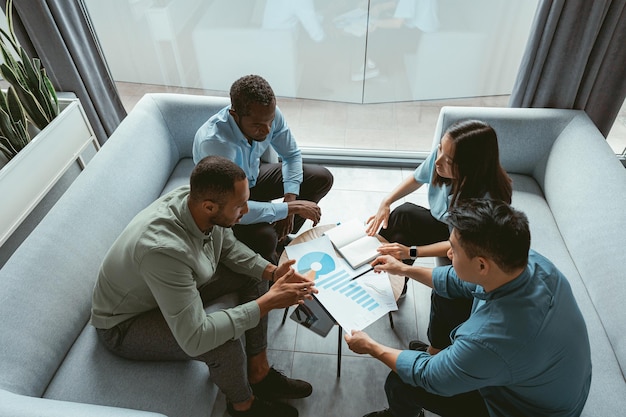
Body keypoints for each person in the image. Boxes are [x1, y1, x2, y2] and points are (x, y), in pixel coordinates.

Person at [91, 156, 318, 417]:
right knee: (223, 341)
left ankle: (259, 372)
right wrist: (268, 302)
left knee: (257, 274)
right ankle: (243, 406)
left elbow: (228, 247)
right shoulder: (163, 250)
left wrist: (273, 272)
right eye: (240, 206)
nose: (246, 211)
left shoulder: (195, 202)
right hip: (126, 323)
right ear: (210, 207)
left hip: (166, 289)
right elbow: (195, 338)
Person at [347, 198, 592, 417]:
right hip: (545, 380)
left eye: (454, 249)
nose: (448, 253)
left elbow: (428, 376)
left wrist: (370, 346)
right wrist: (404, 268)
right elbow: (456, 281)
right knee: (446, 298)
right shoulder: (531, 264)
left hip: (523, 408)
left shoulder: (491, 339)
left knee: (401, 381)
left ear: (482, 265)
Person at [366, 119, 512, 354]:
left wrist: (410, 251)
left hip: (467, 245)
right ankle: (385, 275)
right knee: (402, 215)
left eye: (448, 160)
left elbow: (458, 244)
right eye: (440, 149)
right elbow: (416, 178)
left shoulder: (487, 201)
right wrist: (386, 202)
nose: (437, 160)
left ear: (470, 167)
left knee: (446, 293)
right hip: (447, 225)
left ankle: (435, 350)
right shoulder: (443, 156)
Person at [193, 74, 334, 263]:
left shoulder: (270, 115)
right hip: (228, 203)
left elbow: (291, 155)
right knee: (265, 238)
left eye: (270, 121)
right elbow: (232, 207)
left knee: (321, 177)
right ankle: (270, 251)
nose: (268, 130)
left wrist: (290, 199)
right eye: (258, 125)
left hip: (252, 177)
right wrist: (287, 209)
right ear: (235, 115)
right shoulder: (216, 144)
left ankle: (280, 241)